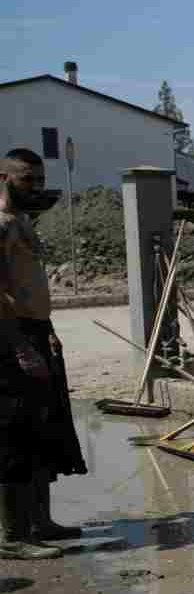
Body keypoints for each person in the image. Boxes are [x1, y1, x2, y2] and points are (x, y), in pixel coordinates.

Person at [0, 148, 87, 561]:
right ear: (4, 179)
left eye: (38, 179)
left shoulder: (22, 223)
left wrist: (46, 332)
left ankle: (40, 522)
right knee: (15, 436)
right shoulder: (1, 225)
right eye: (26, 179)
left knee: (45, 429)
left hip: (36, 333)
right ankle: (13, 536)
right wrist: (18, 344)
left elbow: (30, 286)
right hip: (10, 339)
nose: (34, 186)